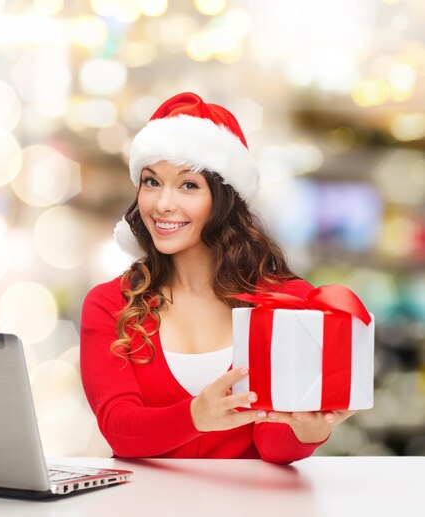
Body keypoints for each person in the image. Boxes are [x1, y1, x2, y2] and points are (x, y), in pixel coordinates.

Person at [80, 92, 355, 464]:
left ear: (225, 198)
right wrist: (196, 416)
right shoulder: (111, 304)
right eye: (151, 182)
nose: (162, 204)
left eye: (188, 185)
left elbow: (272, 444)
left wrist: (309, 429)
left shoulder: (288, 302)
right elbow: (119, 429)